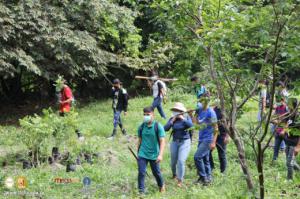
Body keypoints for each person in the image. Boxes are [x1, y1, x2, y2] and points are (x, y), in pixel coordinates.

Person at [137, 107, 166, 194]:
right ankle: (141, 192)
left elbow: (162, 141)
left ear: (153, 115)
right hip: (143, 153)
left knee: (156, 173)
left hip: (154, 155)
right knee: (141, 172)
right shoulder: (141, 127)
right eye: (144, 115)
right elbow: (139, 140)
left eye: (148, 115)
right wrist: (138, 153)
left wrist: (160, 155)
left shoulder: (158, 126)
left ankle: (161, 185)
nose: (146, 116)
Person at [164, 102, 193, 187]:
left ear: (181, 111)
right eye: (175, 110)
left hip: (184, 142)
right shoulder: (172, 118)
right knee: (173, 161)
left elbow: (191, 126)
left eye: (178, 110)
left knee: (181, 161)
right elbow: (165, 128)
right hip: (175, 142)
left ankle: (180, 180)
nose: (176, 112)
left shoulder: (186, 117)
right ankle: (174, 174)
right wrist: (172, 121)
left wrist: (182, 118)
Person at [193, 96, 218, 185]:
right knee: (205, 159)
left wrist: (213, 142)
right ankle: (208, 178)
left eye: (204, 101)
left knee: (197, 157)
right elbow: (196, 123)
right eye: (201, 101)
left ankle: (203, 177)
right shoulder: (199, 110)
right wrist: (194, 114)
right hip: (201, 138)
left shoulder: (211, 113)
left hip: (208, 139)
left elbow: (216, 127)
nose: (202, 103)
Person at [209, 100, 229, 173]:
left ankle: (223, 172)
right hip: (213, 134)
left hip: (222, 134)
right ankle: (211, 168)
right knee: (208, 151)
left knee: (222, 154)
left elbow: (229, 123)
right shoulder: (213, 110)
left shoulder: (225, 110)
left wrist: (227, 136)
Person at [284, 98, 300, 180]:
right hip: (287, 142)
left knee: (289, 163)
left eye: (289, 105)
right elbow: (286, 124)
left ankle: (289, 180)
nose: (287, 106)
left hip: (294, 143)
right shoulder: (290, 115)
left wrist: (298, 147)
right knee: (291, 162)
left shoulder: (298, 117)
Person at [272, 96, 289, 162]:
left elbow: (289, 121)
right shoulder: (277, 108)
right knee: (276, 148)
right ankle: (274, 161)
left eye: (282, 100)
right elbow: (272, 119)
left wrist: (284, 129)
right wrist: (277, 122)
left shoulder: (287, 109)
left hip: (285, 132)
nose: (280, 102)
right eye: (278, 100)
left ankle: (289, 163)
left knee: (288, 149)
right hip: (278, 131)